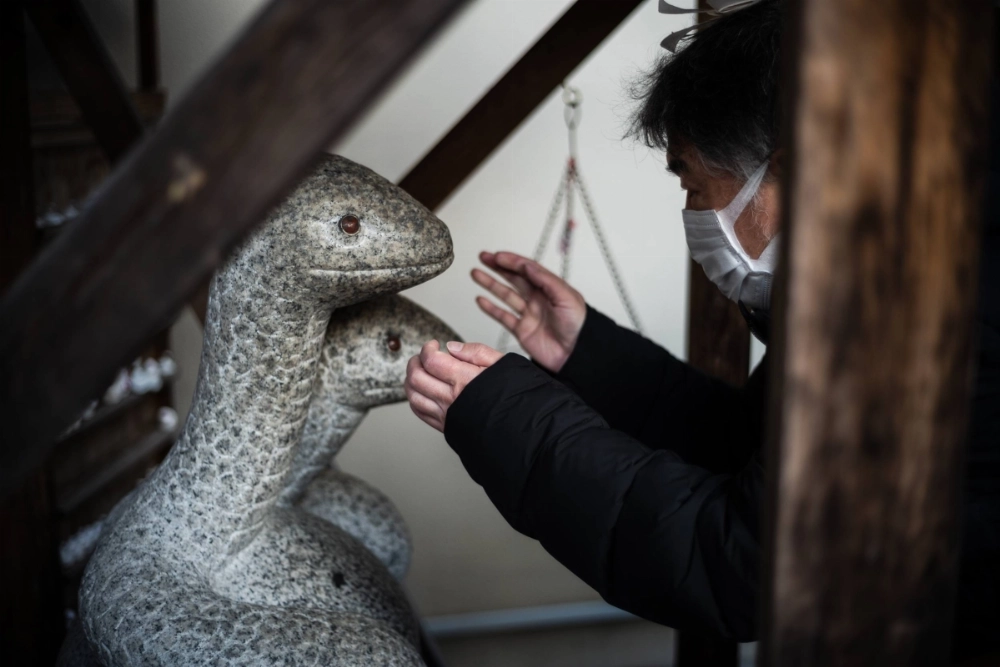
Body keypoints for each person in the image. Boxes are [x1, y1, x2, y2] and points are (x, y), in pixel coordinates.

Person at [404, 0, 999, 660]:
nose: (690, 213)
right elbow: (758, 452)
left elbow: (739, 562)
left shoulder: (911, 316)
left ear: (791, 171)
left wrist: (506, 413)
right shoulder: (897, 274)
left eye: (690, 180)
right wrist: (592, 354)